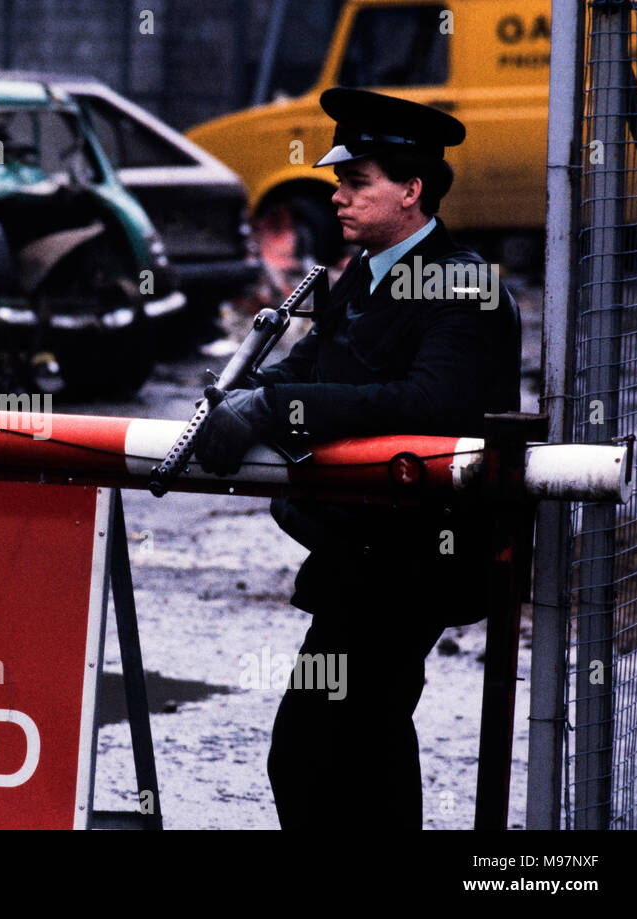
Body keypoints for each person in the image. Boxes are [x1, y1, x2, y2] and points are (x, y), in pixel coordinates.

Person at [193, 87, 521, 829]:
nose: (335, 194)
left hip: (414, 560)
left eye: (355, 181)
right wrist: (243, 394)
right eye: (339, 180)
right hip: (361, 554)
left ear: (411, 189)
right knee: (354, 748)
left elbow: (432, 402)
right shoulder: (364, 272)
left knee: (320, 750)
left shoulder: (460, 280)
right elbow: (312, 363)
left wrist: (273, 409)